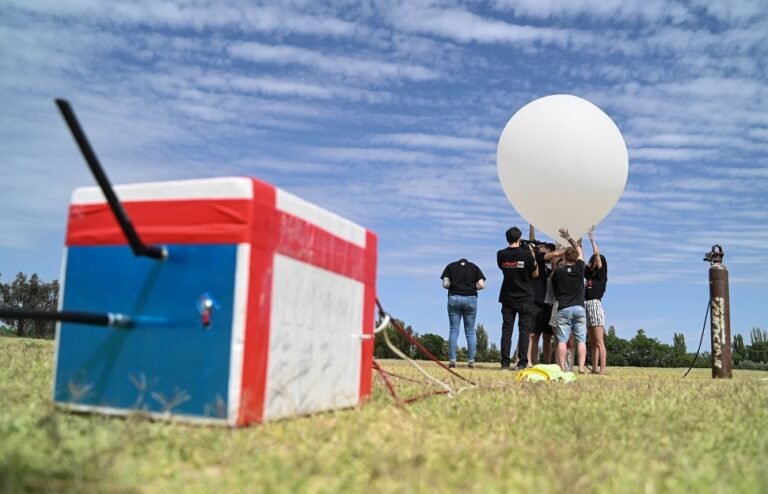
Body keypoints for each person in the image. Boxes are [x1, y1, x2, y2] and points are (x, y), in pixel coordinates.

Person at [497, 226, 539, 370]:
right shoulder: (526, 255)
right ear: (520, 239)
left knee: (506, 330)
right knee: (524, 331)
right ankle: (522, 363)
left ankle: (505, 363)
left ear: (507, 239)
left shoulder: (501, 254)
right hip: (525, 297)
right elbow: (535, 274)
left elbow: (502, 268)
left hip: (507, 296)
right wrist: (532, 255)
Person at [551, 228, 587, 374]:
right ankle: (582, 368)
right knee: (581, 340)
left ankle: (561, 367)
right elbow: (580, 251)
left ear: (565, 258)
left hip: (563, 308)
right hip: (579, 307)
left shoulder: (558, 272)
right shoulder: (580, 269)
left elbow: (554, 286)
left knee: (562, 340)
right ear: (576, 258)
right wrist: (569, 238)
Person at [441, 258, 486, 368]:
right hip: (470, 299)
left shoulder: (450, 266)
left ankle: (452, 361)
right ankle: (471, 362)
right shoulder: (474, 267)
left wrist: (454, 286)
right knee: (470, 331)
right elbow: (482, 285)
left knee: (453, 330)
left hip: (454, 298)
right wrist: (471, 287)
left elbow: (445, 284)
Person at [527, 226, 557, 365]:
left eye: (544, 247)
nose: (541, 247)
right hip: (537, 302)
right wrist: (532, 225)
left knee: (547, 337)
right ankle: (530, 361)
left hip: (549, 305)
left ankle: (547, 363)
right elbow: (532, 242)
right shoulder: (537, 262)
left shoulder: (555, 268)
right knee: (533, 335)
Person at [585, 225, 608, 374]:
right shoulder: (589, 276)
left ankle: (602, 369)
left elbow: (597, 255)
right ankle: (594, 368)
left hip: (595, 305)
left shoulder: (601, 275)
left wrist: (591, 239)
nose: (592, 261)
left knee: (599, 341)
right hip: (586, 305)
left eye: (593, 260)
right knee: (592, 342)